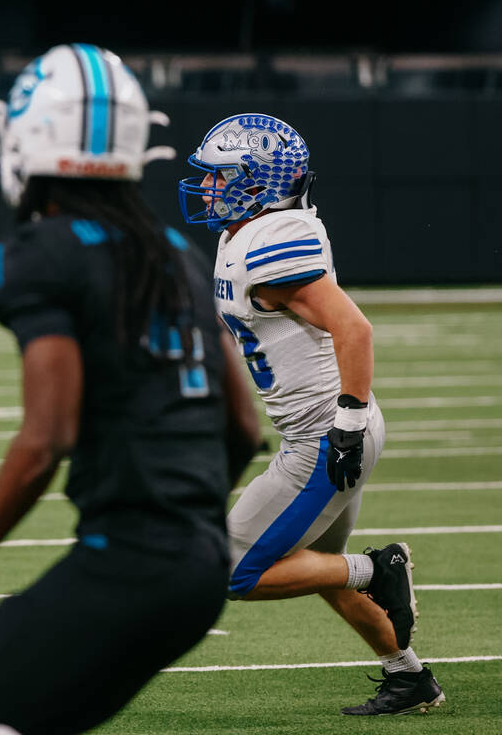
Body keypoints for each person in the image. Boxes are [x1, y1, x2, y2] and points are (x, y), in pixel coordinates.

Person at [0, 44, 263, 735]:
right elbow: (242, 426)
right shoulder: (176, 251)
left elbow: (48, 437)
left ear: (28, 132)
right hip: (203, 564)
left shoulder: (37, 252)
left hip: (132, 557)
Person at [177, 113, 445, 715]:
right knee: (318, 567)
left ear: (259, 182)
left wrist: (346, 423)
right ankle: (409, 676)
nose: (208, 187)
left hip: (325, 437)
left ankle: (380, 567)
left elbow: (354, 327)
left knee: (233, 571)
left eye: (221, 177)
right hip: (325, 431)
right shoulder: (249, 233)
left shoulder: (269, 242)